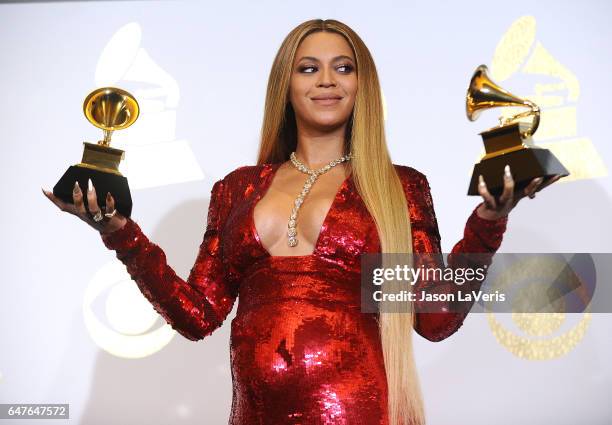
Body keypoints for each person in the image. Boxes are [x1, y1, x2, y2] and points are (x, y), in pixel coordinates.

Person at [43, 18, 563, 425]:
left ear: (364, 85)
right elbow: (197, 315)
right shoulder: (238, 188)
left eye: (344, 67)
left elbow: (434, 319)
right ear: (285, 84)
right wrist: (121, 235)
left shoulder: (397, 187)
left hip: (360, 413)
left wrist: (489, 220)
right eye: (308, 68)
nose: (327, 81)